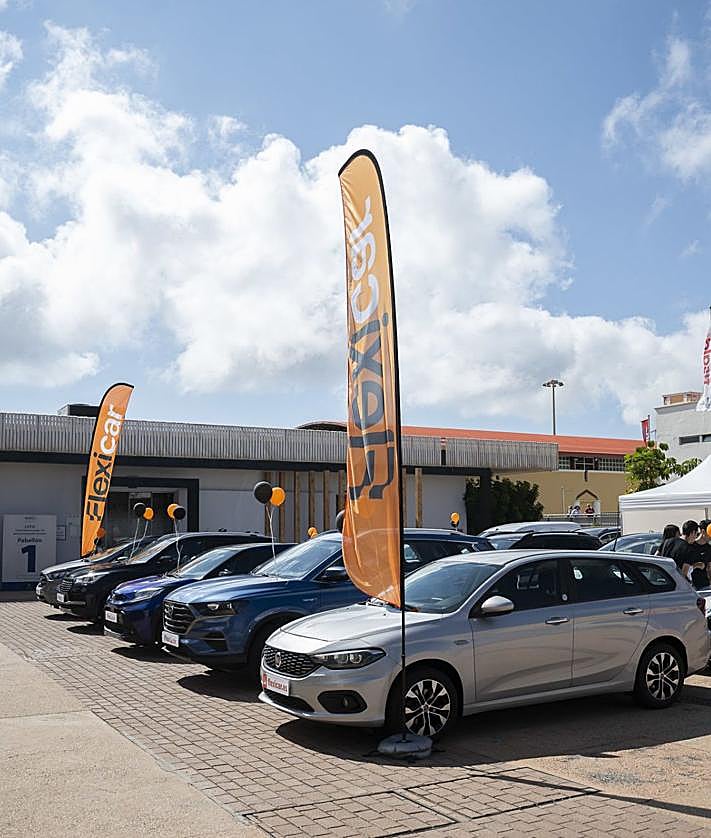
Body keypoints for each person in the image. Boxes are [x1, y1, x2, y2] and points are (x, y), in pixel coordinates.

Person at [693, 520, 711, 589]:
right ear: (703, 531)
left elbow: (709, 567)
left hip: (705, 585)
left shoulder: (709, 548)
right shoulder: (690, 546)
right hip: (691, 586)